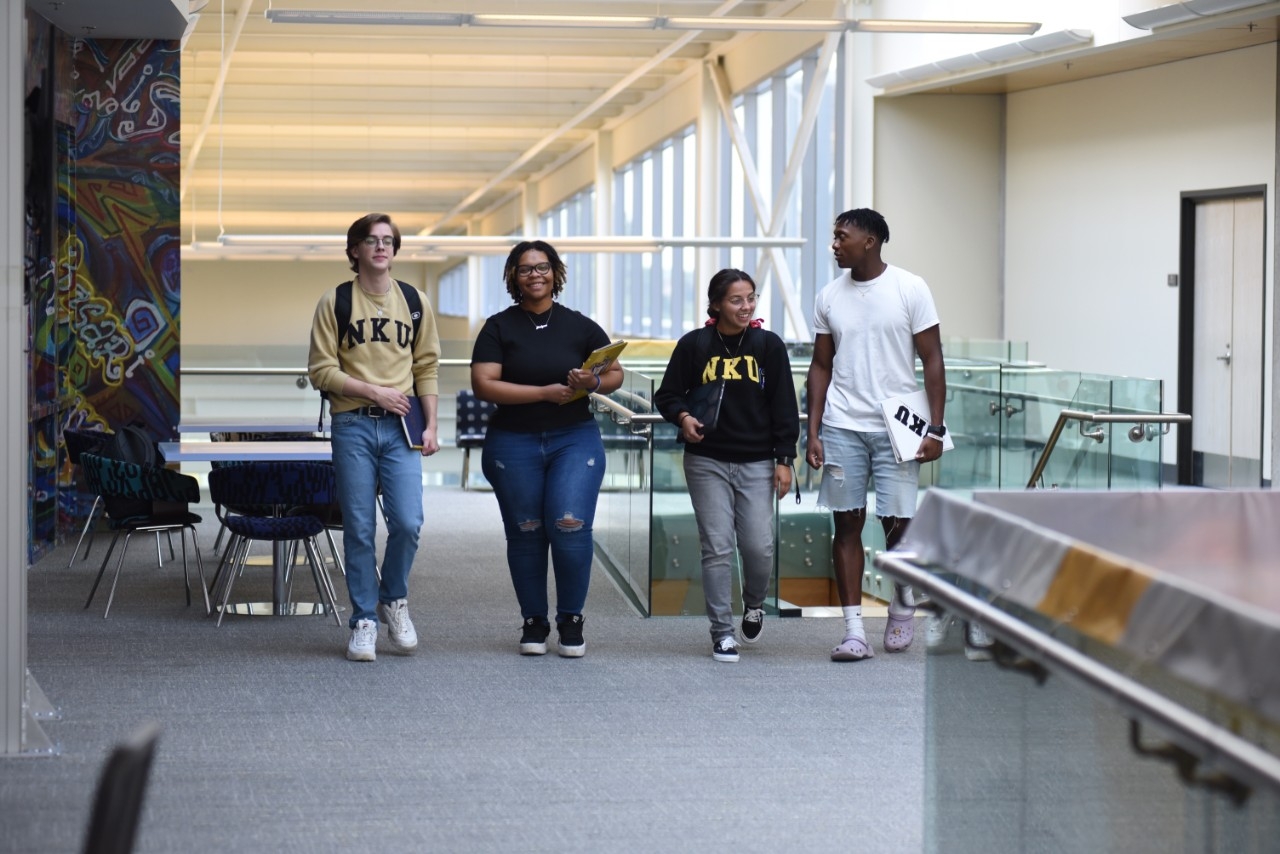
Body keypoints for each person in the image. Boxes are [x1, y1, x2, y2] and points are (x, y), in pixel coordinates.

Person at [470, 240, 623, 658]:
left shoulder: (580, 325)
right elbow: (484, 384)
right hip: (512, 440)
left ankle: (571, 619)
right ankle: (534, 621)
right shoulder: (498, 327)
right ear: (513, 277)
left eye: (542, 267)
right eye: (525, 269)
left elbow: (615, 373)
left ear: (555, 273)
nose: (534, 275)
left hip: (573, 437)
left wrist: (592, 382)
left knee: (569, 526)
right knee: (526, 531)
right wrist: (543, 392)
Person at [805, 208, 945, 662]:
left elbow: (933, 359)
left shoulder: (910, 288)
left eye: (841, 236)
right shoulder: (828, 296)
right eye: (834, 236)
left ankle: (902, 601)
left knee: (898, 526)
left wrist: (936, 428)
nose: (834, 244)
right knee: (846, 524)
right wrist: (813, 430)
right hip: (842, 425)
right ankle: (853, 632)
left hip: (898, 427)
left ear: (870, 240)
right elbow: (821, 365)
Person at [308, 212, 441, 662]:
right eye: (371, 240)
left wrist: (431, 424)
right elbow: (320, 370)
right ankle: (364, 618)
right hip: (353, 424)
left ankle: (393, 599)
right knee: (360, 527)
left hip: (403, 427)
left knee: (408, 522)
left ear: (395, 250)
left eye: (388, 240)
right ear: (355, 250)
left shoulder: (414, 301)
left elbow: (426, 366)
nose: (381, 247)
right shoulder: (336, 301)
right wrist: (373, 391)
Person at [655, 269, 799, 663]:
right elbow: (667, 395)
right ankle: (722, 633)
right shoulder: (695, 345)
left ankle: (753, 603)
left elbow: (784, 406)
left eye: (751, 298)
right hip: (707, 460)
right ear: (716, 304)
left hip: (757, 461)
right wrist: (684, 417)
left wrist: (784, 459)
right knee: (717, 547)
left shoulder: (768, 345)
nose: (746, 306)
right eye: (736, 300)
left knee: (758, 546)